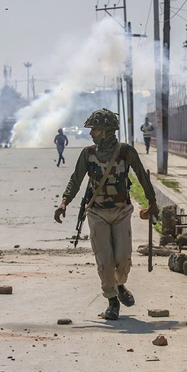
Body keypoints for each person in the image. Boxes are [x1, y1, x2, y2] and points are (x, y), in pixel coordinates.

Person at [54, 108, 158, 319]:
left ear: (108, 131)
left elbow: (141, 176)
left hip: (121, 212)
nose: (92, 133)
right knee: (105, 260)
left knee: (123, 258)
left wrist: (152, 202)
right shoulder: (88, 154)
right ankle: (112, 300)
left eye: (96, 129)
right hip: (97, 213)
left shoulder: (126, 152)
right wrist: (64, 203)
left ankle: (120, 285)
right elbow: (76, 179)